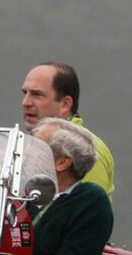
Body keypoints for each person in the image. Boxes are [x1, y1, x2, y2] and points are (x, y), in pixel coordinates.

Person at [30, 118, 113, 255]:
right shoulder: (21, 192)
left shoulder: (90, 201)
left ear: (62, 163)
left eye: (37, 147)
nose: (26, 152)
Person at [20, 61, 115, 198]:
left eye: (37, 94)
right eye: (25, 93)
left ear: (65, 104)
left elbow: (86, 209)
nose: (26, 102)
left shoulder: (85, 150)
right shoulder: (36, 144)